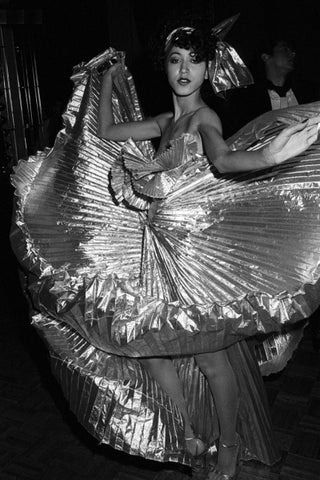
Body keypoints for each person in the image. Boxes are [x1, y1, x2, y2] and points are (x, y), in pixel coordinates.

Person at [97, 18, 320, 480]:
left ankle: (229, 446)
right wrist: (106, 77)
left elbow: (221, 158)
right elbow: (105, 129)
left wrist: (268, 157)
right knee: (151, 346)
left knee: (208, 357)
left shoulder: (204, 118)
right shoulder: (164, 121)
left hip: (194, 255)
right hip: (157, 251)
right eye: (176, 59)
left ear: (207, 69)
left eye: (195, 61)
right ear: (165, 65)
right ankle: (187, 428)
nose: (185, 69)